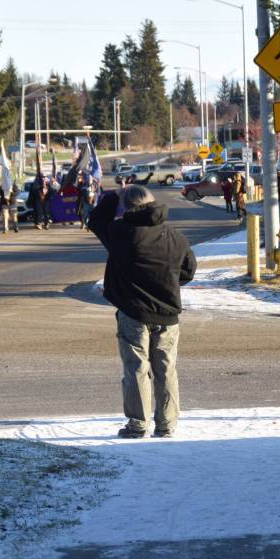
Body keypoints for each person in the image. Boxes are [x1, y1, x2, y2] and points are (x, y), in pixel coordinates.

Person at [88, 185, 197, 439]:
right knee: (166, 369)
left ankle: (138, 424)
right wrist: (167, 281)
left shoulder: (120, 233)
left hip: (133, 312)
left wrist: (113, 195)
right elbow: (188, 271)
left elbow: (95, 219)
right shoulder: (175, 237)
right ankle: (166, 424)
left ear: (127, 207)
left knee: (137, 368)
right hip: (168, 313)